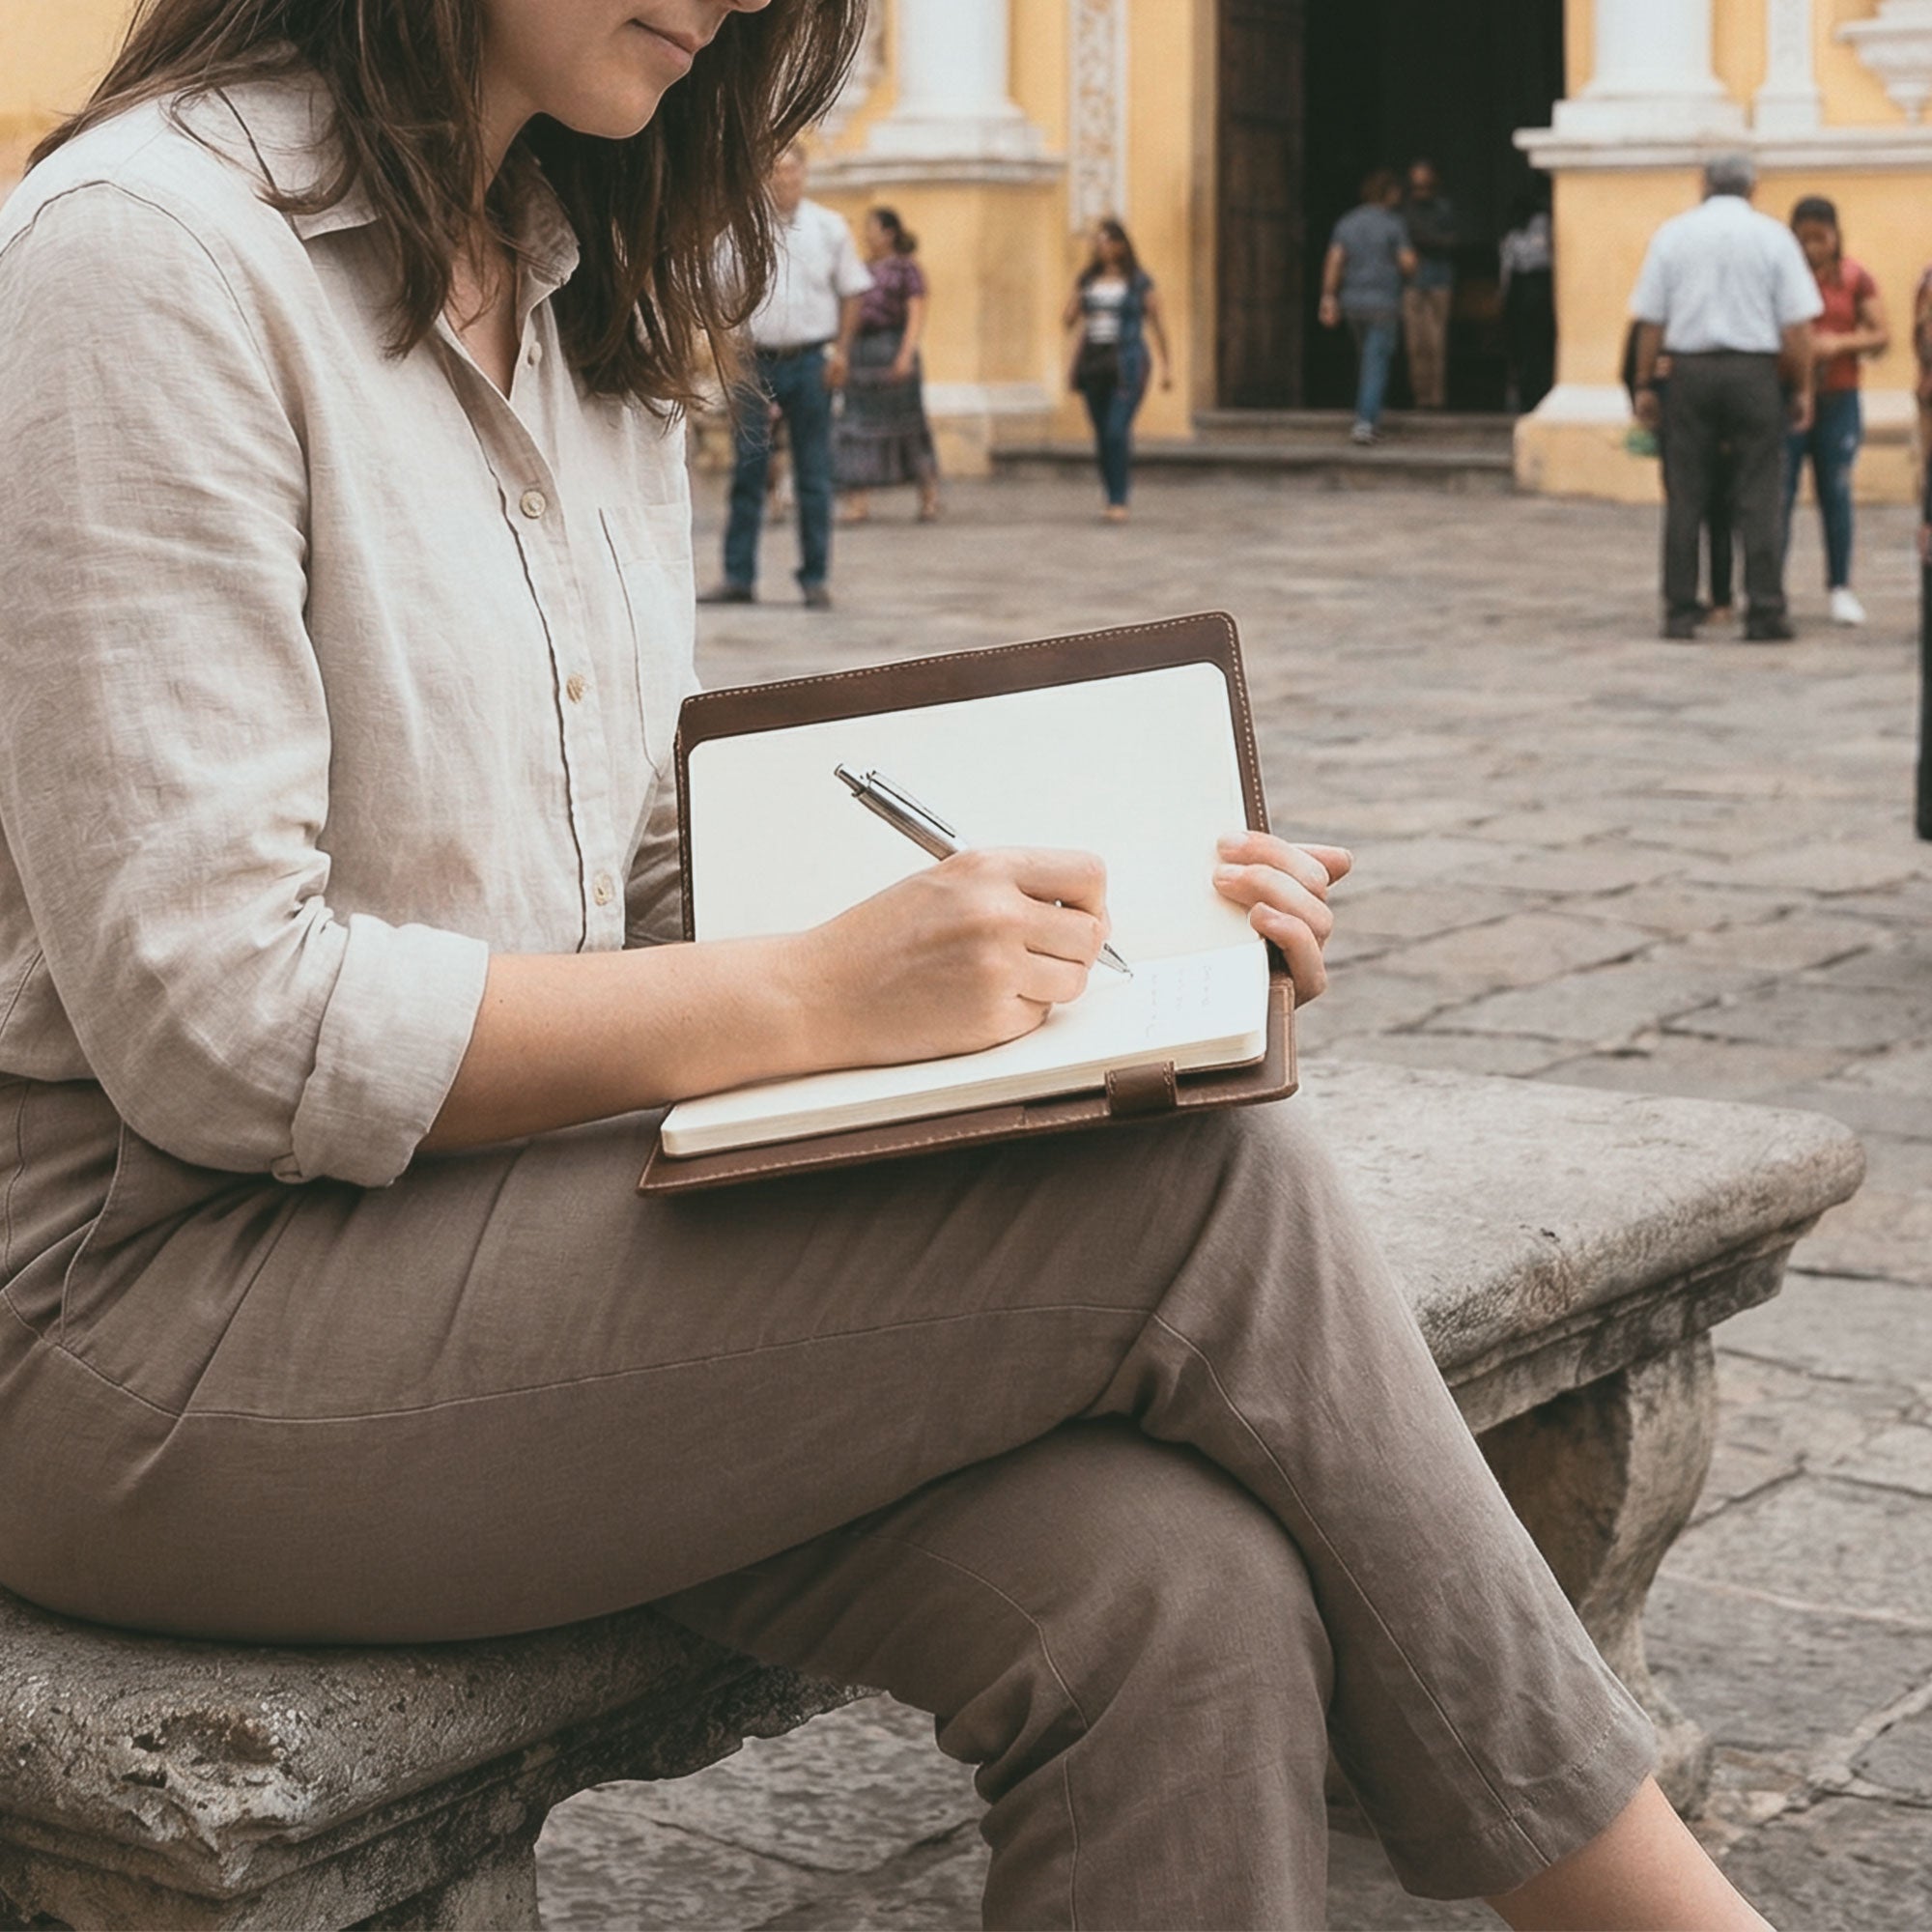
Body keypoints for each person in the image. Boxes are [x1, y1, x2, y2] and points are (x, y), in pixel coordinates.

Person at [0, 3, 1779, 1925]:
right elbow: (222, 1020)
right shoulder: (146, 256)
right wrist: (812, 996)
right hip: (149, 1321)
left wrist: (1127, 918)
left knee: (1181, 1598)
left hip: (508, 1243)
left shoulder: (568, 275)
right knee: (1192, 1177)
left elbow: (636, 863)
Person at [1630, 153, 1821, 641]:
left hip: (1690, 372)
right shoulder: (1773, 237)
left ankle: (1679, 609)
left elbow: (1651, 320)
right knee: (1759, 494)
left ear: (1703, 184)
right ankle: (1764, 607)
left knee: (1685, 494)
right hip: (1754, 372)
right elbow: (1797, 326)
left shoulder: (1672, 235)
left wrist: (1646, 383)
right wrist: (1800, 386)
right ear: (1752, 187)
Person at [699, 140, 869, 611]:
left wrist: (843, 353)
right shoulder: (738, 233)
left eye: (791, 172)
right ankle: (738, 575)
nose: (783, 181)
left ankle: (814, 577)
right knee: (748, 470)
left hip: (812, 361)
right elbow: (718, 299)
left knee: (814, 473)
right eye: (773, 173)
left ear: (804, 175)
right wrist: (727, 356)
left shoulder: (830, 228)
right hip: (755, 363)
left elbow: (853, 291)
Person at [1782, 196, 1889, 628]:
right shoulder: (1783, 278)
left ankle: (1840, 586)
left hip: (1839, 396)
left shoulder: (1854, 279)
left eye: (1819, 238)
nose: (1811, 248)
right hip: (1788, 398)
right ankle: (1773, 583)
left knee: (1837, 492)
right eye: (1802, 238)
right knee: (1779, 494)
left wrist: (1837, 344)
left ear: (1835, 235)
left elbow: (1881, 335)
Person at [1623, 321, 1738, 621]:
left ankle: (1717, 598)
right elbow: (1631, 369)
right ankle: (1690, 600)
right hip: (1678, 428)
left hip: (1709, 427)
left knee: (1716, 514)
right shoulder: (1650, 327)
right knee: (1690, 514)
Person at [834, 207, 939, 526]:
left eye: (872, 229)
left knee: (908, 424)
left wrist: (905, 354)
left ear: (889, 233)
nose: (867, 235)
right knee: (857, 425)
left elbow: (916, 311)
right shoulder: (861, 269)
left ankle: (928, 496)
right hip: (862, 353)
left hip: (892, 346)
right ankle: (859, 501)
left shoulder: (907, 270)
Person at [1062, 216, 1172, 523]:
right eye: (1097, 242)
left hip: (1128, 361)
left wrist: (1166, 366)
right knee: (1101, 432)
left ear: (1122, 245)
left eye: (1107, 241)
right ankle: (1110, 495)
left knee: (1115, 429)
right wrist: (1076, 297)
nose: (1101, 247)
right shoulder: (1087, 281)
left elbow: (1157, 323)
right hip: (1094, 361)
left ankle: (1120, 498)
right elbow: (1069, 319)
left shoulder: (1139, 282)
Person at [1320, 168, 1417, 445]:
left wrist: (1328, 297)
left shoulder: (1347, 223)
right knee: (1376, 362)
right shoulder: (1393, 224)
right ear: (1389, 193)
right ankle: (1365, 422)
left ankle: (1368, 412)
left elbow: (1335, 261)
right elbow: (1408, 262)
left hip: (1352, 303)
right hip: (1384, 303)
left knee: (1367, 359)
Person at [1401, 158, 1457, 410]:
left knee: (1436, 341)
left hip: (1439, 280)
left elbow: (1452, 241)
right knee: (1415, 342)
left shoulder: (1444, 209)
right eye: (1416, 185)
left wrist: (1426, 240)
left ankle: (1436, 396)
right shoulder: (1404, 211)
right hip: (1412, 282)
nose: (1420, 190)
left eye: (1425, 184)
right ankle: (1420, 395)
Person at [1499, 191, 1556, 414]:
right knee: (1540, 345)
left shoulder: (1514, 235)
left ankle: (1529, 395)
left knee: (1525, 347)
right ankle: (1538, 393)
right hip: (1539, 288)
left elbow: (1506, 270)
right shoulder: (1543, 226)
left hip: (1521, 290)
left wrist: (1504, 299)